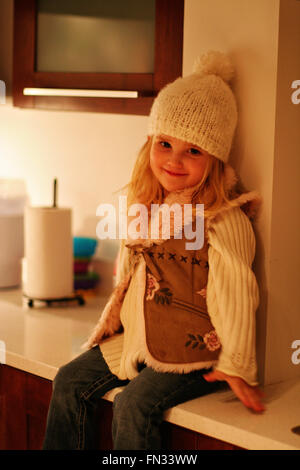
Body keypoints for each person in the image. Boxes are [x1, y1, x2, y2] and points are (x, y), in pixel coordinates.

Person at [43, 50, 265, 451]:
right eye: (165, 144)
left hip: (194, 352)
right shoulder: (147, 206)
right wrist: (110, 323)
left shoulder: (221, 217)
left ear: (214, 159)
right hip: (141, 340)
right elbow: (129, 277)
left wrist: (237, 364)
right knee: (68, 380)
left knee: (134, 405)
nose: (174, 160)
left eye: (193, 151)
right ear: (150, 144)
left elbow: (237, 291)